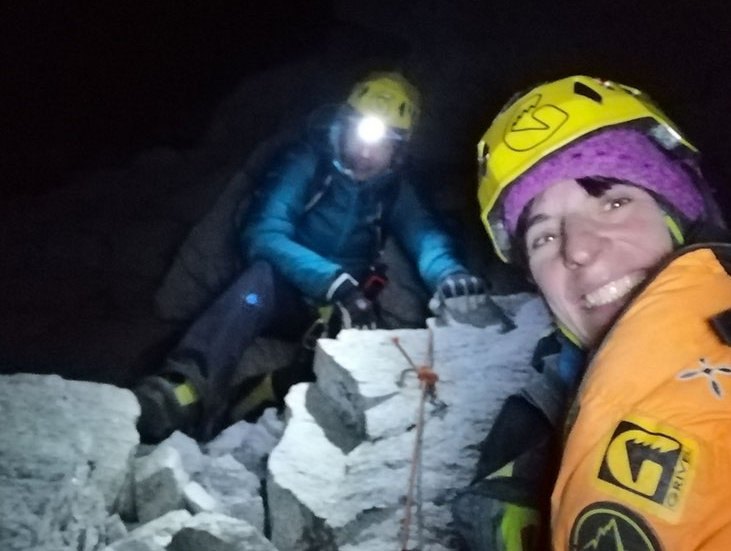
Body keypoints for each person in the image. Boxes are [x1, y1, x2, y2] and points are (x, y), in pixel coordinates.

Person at [454, 75, 731, 550]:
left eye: (614, 202)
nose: (578, 250)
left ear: (682, 218)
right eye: (543, 237)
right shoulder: (525, 434)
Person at [134, 71, 486, 443]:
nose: (366, 153)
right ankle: (183, 390)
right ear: (344, 126)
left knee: (359, 369)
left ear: (398, 151)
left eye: (381, 145)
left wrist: (449, 274)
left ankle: (255, 407)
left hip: (341, 312)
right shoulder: (309, 163)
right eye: (359, 136)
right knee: (255, 285)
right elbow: (264, 232)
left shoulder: (393, 191)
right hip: (281, 296)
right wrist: (334, 282)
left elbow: (425, 237)